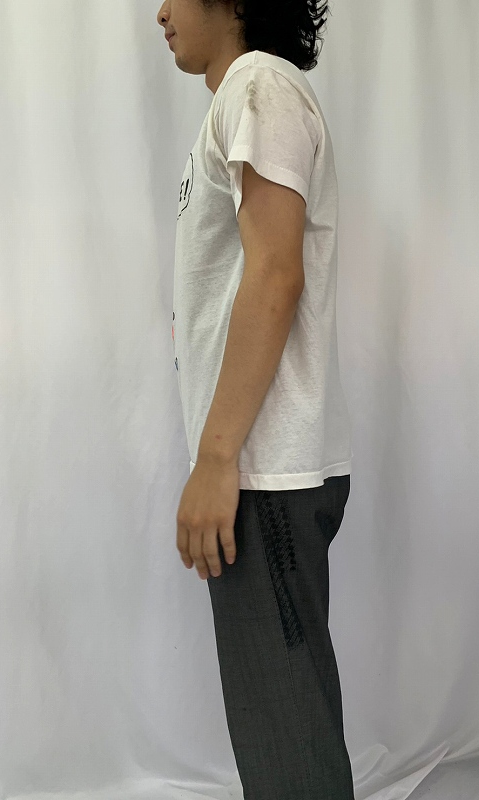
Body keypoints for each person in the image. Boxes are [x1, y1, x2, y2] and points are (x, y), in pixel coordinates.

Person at [157, 1, 355, 797]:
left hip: (261, 472)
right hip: (260, 467)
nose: (160, 11)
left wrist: (216, 459)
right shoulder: (245, 94)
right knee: (288, 721)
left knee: (284, 742)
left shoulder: (258, 85)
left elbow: (275, 275)